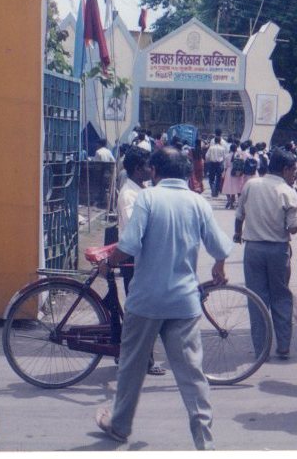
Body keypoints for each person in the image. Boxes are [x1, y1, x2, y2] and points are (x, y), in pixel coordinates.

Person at [95, 146, 232, 449]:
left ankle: (119, 425)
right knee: (192, 375)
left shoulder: (148, 198)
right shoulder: (198, 202)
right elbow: (220, 247)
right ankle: (205, 442)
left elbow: (128, 243)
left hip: (146, 301)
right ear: (185, 172)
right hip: (184, 304)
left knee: (131, 366)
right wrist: (220, 265)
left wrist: (110, 261)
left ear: (155, 171)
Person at [233, 147, 297, 359]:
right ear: (285, 169)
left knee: (256, 299)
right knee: (280, 296)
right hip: (278, 250)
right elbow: (293, 228)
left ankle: (261, 349)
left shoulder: (252, 184)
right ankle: (283, 346)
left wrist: (238, 234)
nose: (295, 174)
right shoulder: (288, 192)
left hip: (253, 249)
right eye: (294, 170)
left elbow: (239, 214)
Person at [116, 146, 166, 377]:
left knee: (143, 312)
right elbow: (131, 232)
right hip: (135, 262)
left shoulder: (141, 189)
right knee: (142, 312)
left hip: (143, 261)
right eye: (147, 166)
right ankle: (141, 359)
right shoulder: (129, 194)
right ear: (138, 169)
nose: (151, 169)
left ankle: (135, 355)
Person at [221, 142, 245, 209]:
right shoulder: (239, 155)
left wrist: (224, 172)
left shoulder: (227, 156)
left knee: (227, 187)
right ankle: (233, 202)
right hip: (237, 172)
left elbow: (225, 166)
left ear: (230, 149)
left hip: (229, 171)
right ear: (236, 149)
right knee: (235, 187)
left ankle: (229, 200)